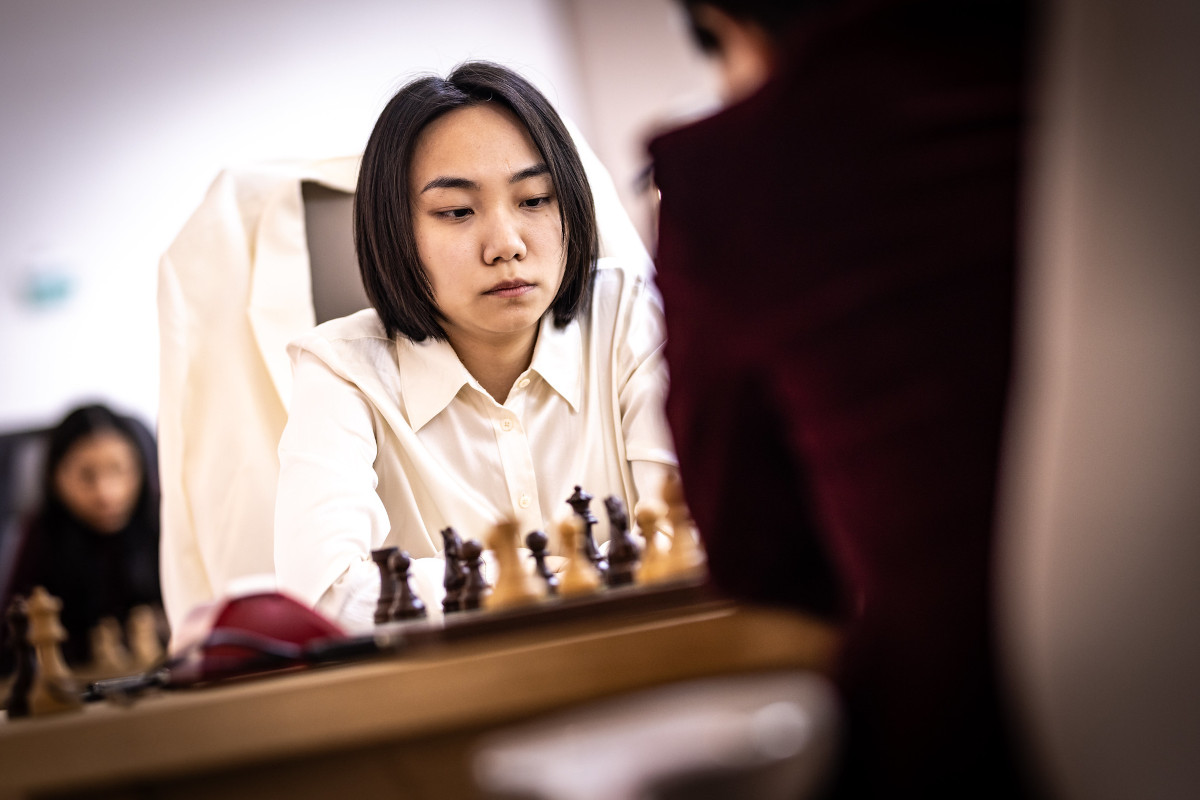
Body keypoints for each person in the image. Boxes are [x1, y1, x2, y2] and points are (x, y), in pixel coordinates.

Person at [650, 1, 1032, 797]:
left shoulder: (740, 169)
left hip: (974, 728)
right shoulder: (1132, 81)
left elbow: (754, 554)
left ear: (730, 22)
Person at [274, 62, 677, 631]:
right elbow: (326, 596)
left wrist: (500, 580)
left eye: (535, 199)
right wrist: (563, 575)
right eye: (457, 212)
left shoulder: (629, 311)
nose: (506, 245)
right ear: (394, 231)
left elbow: (690, 535)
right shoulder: (341, 371)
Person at [2, 404, 162, 666]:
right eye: (86, 476)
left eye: (119, 470)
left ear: (142, 468)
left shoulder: (161, 518)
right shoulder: (42, 534)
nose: (106, 493)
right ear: (56, 477)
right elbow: (10, 639)